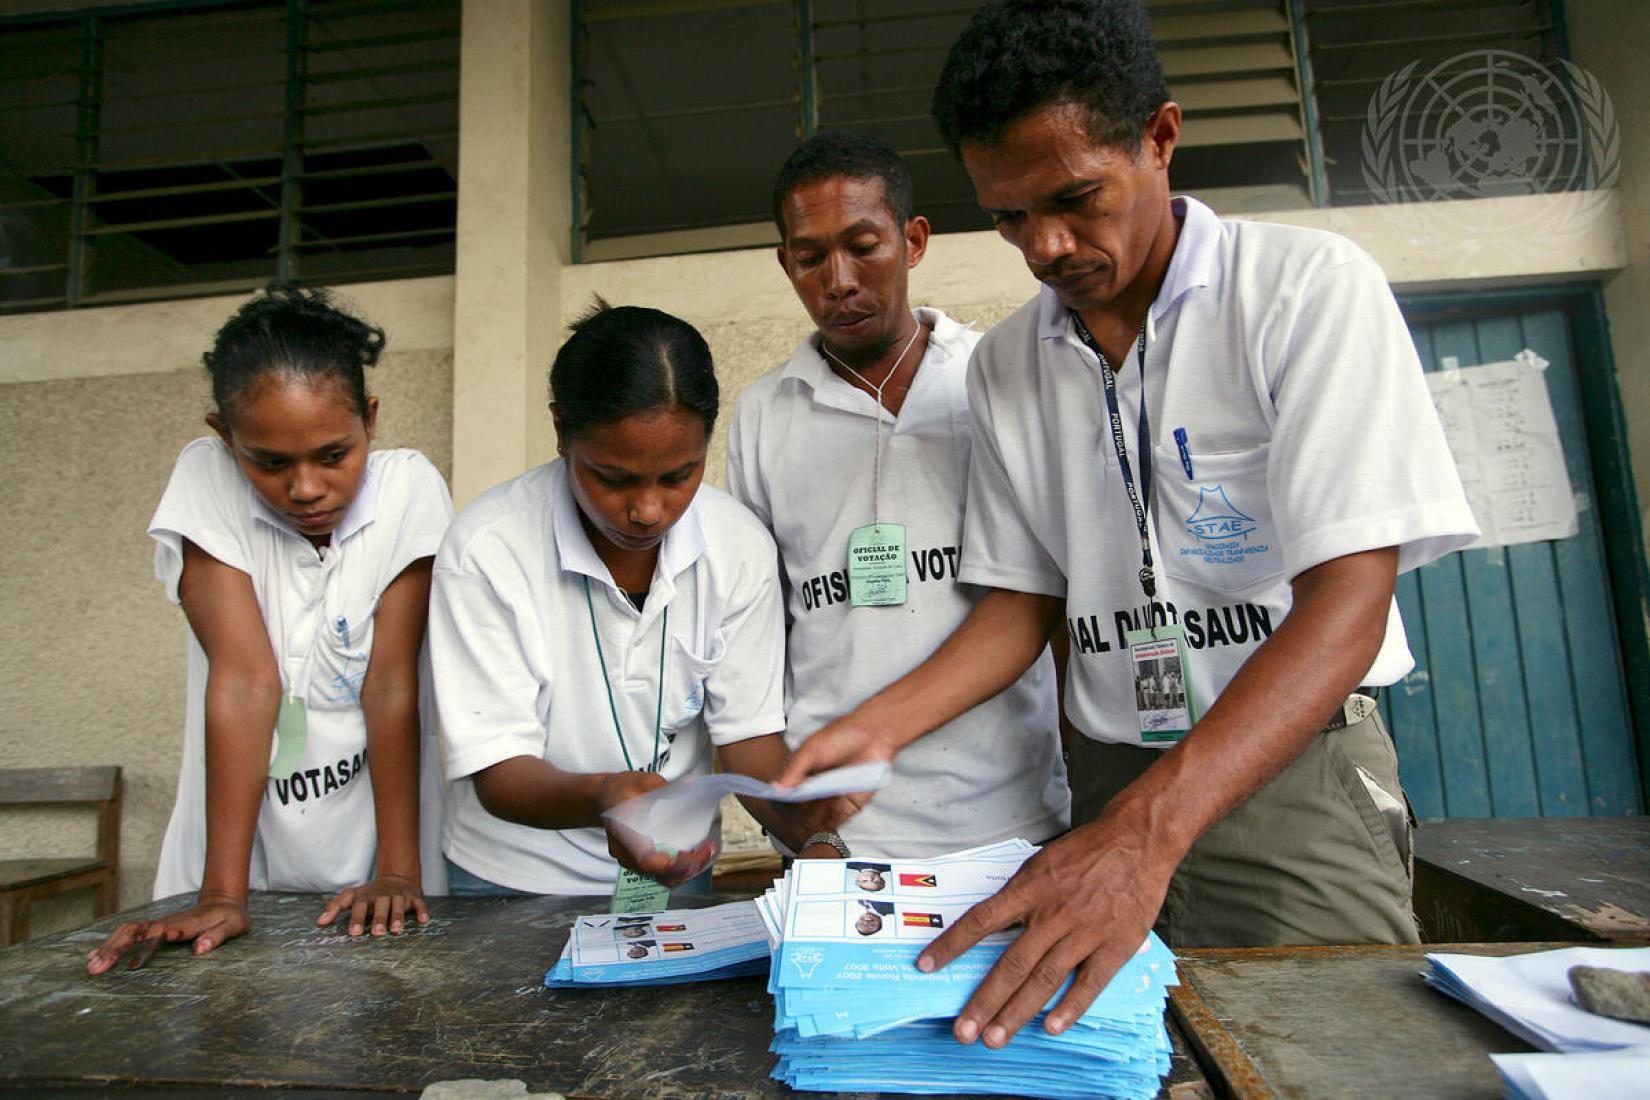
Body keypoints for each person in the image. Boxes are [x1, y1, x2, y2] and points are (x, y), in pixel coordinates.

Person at [776, 0, 1478, 1047]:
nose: (1046, 245)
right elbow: (1023, 601)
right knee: (1114, 1061)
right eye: (1010, 218)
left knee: (1337, 1050)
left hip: (1284, 774)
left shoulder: (1300, 294)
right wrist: (872, 729)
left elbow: (1351, 603)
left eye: (1075, 198)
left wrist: (1147, 834)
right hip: (1108, 771)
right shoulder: (1012, 364)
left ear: (1159, 138)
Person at [87, 287, 453, 974]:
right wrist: (223, 894)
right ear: (226, 438)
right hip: (232, 847)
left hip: (376, 845)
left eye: (333, 454)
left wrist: (400, 872)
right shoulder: (205, 477)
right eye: (271, 463)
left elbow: (392, 681)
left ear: (370, 421)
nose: (307, 488)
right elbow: (247, 681)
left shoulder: (410, 489)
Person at [726, 130, 1068, 862]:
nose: (839, 279)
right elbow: (750, 637)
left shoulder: (993, 380)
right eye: (811, 257)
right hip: (841, 836)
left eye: (863, 246)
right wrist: (786, 819)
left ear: (913, 241)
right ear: (786, 264)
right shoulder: (763, 414)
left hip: (1011, 825)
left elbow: (1053, 604)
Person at [429, 301, 811, 897]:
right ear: (561, 431)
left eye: (679, 475)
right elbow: (498, 773)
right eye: (614, 478)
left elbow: (748, 738)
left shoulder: (738, 548)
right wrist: (604, 796)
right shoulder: (487, 549)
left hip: (674, 873)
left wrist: (813, 825)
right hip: (511, 882)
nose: (648, 510)